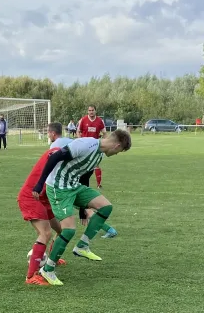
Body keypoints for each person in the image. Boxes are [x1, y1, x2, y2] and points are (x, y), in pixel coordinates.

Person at [32, 129, 131, 286]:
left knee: (105, 207)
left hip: (75, 186)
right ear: (116, 145)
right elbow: (54, 157)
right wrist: (39, 184)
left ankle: (82, 245)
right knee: (69, 229)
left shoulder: (99, 154)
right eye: (119, 151)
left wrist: (83, 210)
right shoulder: (86, 145)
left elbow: (84, 177)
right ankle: (48, 269)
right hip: (59, 188)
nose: (117, 154)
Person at [48, 122, 118, 239]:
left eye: (48, 133)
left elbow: (54, 164)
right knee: (83, 209)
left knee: (80, 212)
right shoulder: (69, 140)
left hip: (65, 182)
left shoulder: (57, 144)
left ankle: (109, 229)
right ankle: (108, 229)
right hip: (75, 177)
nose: (48, 135)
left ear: (52, 133)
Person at [17, 145, 67, 285]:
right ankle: (31, 276)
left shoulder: (63, 154)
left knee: (61, 230)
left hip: (45, 198)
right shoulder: (58, 153)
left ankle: (52, 260)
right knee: (45, 233)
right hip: (32, 196)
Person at [77, 105, 106, 188]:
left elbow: (104, 133)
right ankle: (80, 183)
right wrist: (80, 141)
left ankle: (98, 184)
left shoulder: (100, 121)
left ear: (95, 111)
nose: (91, 112)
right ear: (87, 111)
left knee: (95, 164)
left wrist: (104, 143)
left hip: (95, 147)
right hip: (84, 147)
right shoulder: (83, 120)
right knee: (82, 164)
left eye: (92, 110)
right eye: (89, 110)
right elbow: (78, 132)